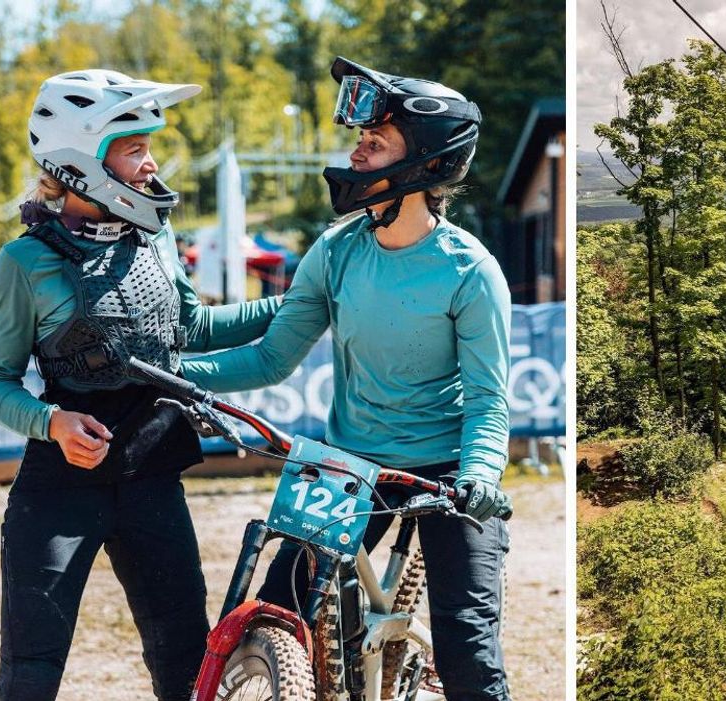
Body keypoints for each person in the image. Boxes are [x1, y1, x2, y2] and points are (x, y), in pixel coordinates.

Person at [181, 57, 513, 700]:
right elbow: (271, 356)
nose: (357, 155)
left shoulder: (470, 271)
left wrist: (480, 477)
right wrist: (178, 375)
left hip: (447, 472)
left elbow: (487, 398)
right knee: (284, 605)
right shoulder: (336, 250)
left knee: (468, 641)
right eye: (360, 140)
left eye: (375, 142)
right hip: (348, 460)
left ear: (423, 165)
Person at [0, 70, 282, 701]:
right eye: (136, 149)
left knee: (187, 668)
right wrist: (51, 423)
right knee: (30, 674)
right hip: (58, 491)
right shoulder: (23, 262)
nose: (152, 163)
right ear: (82, 162)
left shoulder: (158, 237)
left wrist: (298, 305)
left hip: (153, 481)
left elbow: (191, 328)